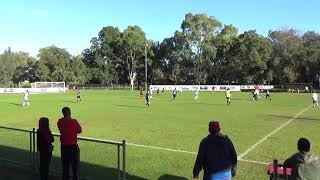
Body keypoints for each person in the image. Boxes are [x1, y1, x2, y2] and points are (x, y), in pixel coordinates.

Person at [58, 107, 82, 180]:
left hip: (64, 147)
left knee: (65, 167)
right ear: (70, 113)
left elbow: (60, 123)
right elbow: (80, 130)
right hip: (73, 147)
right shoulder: (74, 122)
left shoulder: (60, 122)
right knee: (75, 167)